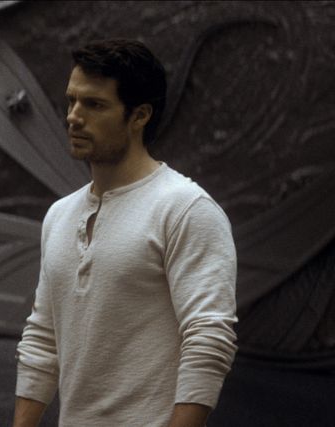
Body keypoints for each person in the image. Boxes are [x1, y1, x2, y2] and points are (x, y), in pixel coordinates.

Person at [12, 39, 237, 427]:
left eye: (94, 105)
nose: (73, 117)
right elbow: (43, 339)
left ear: (139, 116)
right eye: (71, 101)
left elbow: (208, 340)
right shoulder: (59, 215)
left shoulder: (186, 209)